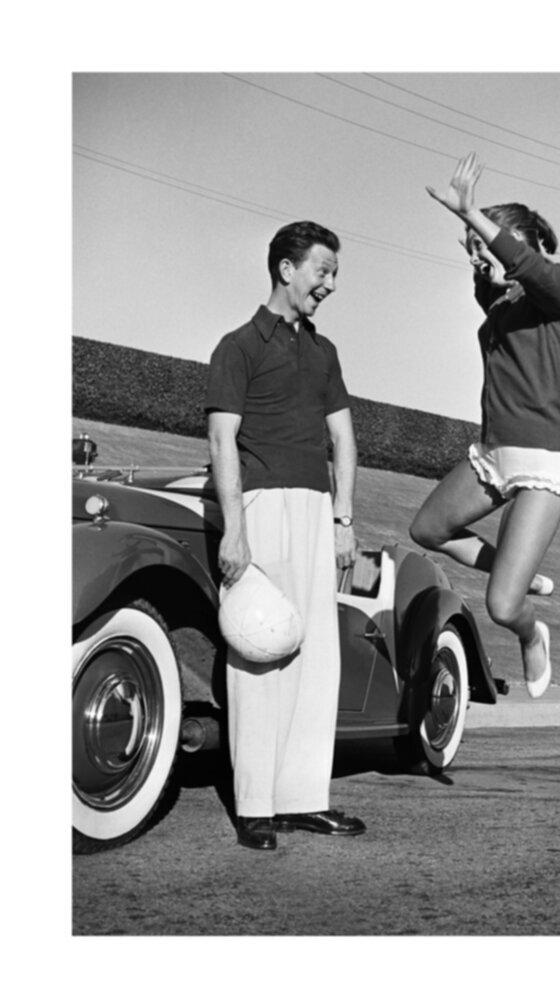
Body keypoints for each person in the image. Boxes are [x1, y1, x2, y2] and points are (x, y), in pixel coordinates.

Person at [206, 220, 365, 851]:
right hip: (260, 507)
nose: (329, 285)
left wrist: (344, 519)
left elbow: (344, 440)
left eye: (333, 274)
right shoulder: (237, 346)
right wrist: (234, 534)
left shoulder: (323, 353)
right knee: (259, 652)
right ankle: (255, 807)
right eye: (322, 271)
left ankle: (304, 799)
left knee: (316, 655)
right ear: (286, 269)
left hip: (316, 513)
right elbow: (222, 440)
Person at [410, 153, 560, 698]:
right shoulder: (499, 302)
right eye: (474, 254)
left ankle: (533, 633)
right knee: (428, 531)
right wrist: (474, 242)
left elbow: (524, 265)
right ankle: (516, 568)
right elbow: (495, 273)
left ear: (522, 244)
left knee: (502, 606)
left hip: (541, 464)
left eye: (486, 247)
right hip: (493, 454)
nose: (479, 259)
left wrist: (473, 218)